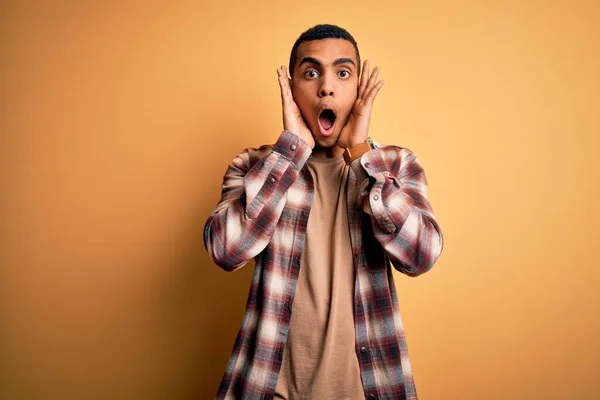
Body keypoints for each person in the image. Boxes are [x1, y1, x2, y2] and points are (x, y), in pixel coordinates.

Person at [204, 23, 444, 400]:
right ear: (292, 88)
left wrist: (363, 156)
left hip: (367, 390)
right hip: (268, 388)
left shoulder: (394, 166)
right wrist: (288, 154)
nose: (326, 87)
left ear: (359, 87)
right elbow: (225, 250)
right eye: (311, 73)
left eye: (342, 73)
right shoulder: (255, 166)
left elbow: (422, 255)